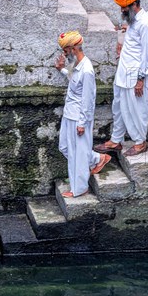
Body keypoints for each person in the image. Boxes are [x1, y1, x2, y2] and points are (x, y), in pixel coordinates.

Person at [94, 0, 148, 157]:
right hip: (123, 71)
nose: (122, 11)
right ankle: (116, 140)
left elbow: (147, 54)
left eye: (124, 8)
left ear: (134, 4)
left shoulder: (145, 23)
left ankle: (140, 142)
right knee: (118, 105)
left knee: (137, 109)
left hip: (136, 75)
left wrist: (141, 79)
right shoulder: (134, 21)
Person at [55, 31, 111, 198]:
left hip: (78, 117)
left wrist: (82, 123)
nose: (64, 54)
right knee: (64, 147)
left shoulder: (87, 70)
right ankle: (97, 159)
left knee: (77, 154)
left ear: (73, 49)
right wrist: (62, 69)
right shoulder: (76, 64)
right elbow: (74, 80)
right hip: (69, 113)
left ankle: (79, 188)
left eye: (66, 51)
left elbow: (88, 99)